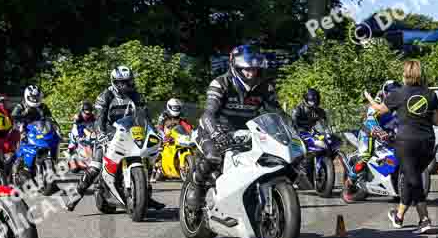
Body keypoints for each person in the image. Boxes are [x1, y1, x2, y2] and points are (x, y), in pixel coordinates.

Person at [184, 44, 282, 209]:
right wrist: (216, 134)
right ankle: (196, 187)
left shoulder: (266, 86)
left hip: (248, 133)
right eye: (246, 69)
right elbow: (208, 114)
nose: (251, 74)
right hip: (214, 129)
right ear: (235, 67)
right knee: (213, 156)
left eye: (254, 69)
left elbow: (278, 114)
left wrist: (293, 132)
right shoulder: (221, 83)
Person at [66, 66, 165, 211]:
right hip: (108, 132)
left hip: (130, 130)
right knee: (95, 167)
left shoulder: (136, 95)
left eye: (128, 81)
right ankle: (75, 197)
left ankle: (145, 195)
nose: (125, 85)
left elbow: (145, 116)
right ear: (114, 82)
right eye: (121, 82)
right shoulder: (105, 96)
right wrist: (101, 135)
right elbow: (99, 119)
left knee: (146, 157)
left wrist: (155, 132)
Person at [365, 61, 438, 233]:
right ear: (421, 74)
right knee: (409, 177)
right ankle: (398, 216)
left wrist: (369, 98)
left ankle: (424, 219)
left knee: (414, 180)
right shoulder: (431, 95)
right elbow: (437, 121)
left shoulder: (399, 94)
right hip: (427, 143)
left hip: (406, 143)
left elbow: (379, 109)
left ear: (405, 75)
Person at [68, 101, 96, 168]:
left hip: (89, 134)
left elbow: (96, 126)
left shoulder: (93, 117)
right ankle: (71, 158)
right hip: (78, 133)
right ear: (82, 111)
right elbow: (76, 127)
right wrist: (78, 136)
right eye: (86, 112)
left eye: (89, 112)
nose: (87, 114)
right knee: (72, 143)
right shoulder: (78, 117)